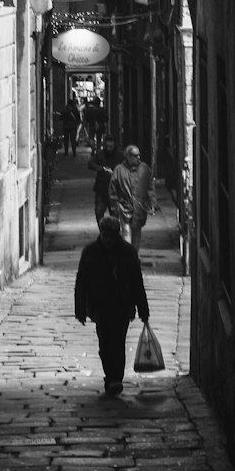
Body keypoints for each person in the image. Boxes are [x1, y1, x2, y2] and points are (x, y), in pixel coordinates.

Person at [74, 214, 150, 396]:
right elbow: (82, 282)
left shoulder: (127, 252)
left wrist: (143, 309)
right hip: (99, 307)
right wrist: (81, 309)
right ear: (101, 233)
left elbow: (137, 283)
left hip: (121, 306)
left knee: (118, 343)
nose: (108, 240)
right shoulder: (90, 252)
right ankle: (111, 376)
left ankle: (116, 378)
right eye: (105, 235)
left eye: (111, 236)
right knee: (105, 344)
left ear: (117, 235)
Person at [108, 143, 156, 251]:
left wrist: (152, 203)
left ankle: (133, 256)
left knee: (137, 231)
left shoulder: (144, 169)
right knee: (126, 231)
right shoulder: (119, 170)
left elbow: (150, 187)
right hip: (124, 207)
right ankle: (128, 256)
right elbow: (112, 188)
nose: (138, 158)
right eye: (134, 155)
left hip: (140, 207)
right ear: (128, 156)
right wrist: (114, 205)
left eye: (138, 155)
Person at [88, 133, 123, 226]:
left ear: (114, 145)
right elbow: (90, 163)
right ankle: (103, 233)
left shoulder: (120, 156)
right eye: (107, 146)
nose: (109, 148)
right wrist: (101, 168)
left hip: (115, 190)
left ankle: (113, 235)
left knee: (115, 215)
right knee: (99, 212)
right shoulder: (100, 154)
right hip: (102, 189)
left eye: (111, 146)